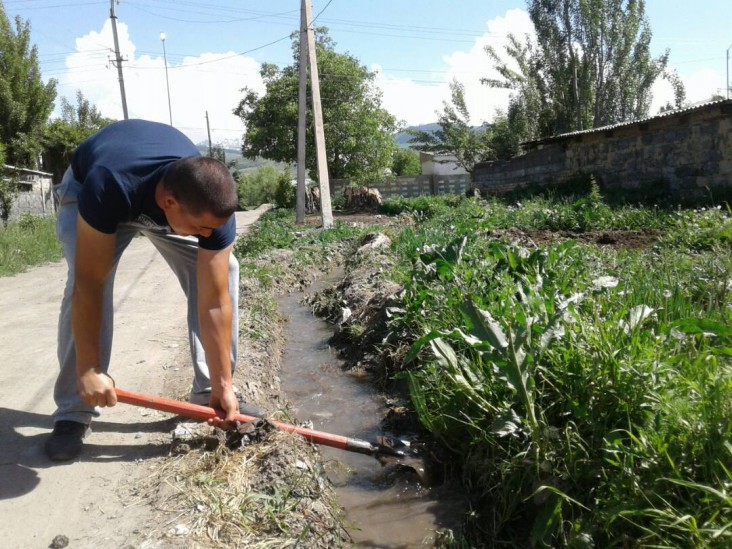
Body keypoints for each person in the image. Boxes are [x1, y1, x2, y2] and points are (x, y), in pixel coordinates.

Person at [46, 119, 259, 462]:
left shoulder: (210, 204)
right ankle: (73, 411)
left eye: (212, 228)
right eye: (201, 228)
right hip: (92, 189)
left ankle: (210, 393)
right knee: (84, 283)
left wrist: (225, 382)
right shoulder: (108, 185)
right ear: (169, 203)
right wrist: (89, 369)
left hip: (162, 197)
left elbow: (215, 302)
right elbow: (90, 285)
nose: (207, 235)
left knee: (226, 270)